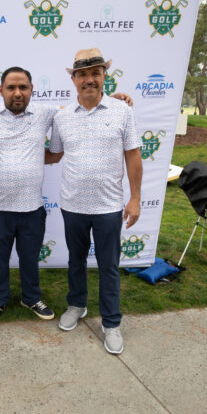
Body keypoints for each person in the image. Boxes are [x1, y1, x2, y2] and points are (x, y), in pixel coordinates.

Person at [0, 66, 132, 328]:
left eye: (23, 87)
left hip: (33, 206)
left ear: (32, 90)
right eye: (11, 87)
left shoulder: (49, 114)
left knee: (30, 257)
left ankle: (31, 297)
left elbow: (82, 108)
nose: (17, 93)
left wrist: (116, 99)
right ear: (1, 91)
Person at [48, 48, 142, 355]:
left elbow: (133, 156)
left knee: (108, 266)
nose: (89, 80)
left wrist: (136, 199)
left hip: (109, 207)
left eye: (95, 73)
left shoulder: (122, 111)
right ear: (73, 79)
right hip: (72, 204)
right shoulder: (61, 117)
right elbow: (55, 153)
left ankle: (111, 323)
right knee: (75, 260)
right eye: (83, 74)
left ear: (104, 76)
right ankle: (77, 305)